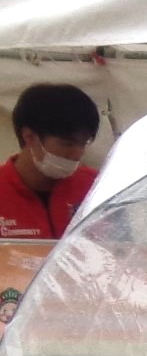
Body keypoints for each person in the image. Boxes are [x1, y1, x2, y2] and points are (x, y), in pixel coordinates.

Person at [2, 83, 101, 239]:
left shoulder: (96, 187)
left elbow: (122, 248)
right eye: (67, 144)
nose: (77, 154)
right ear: (29, 136)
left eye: (83, 143)